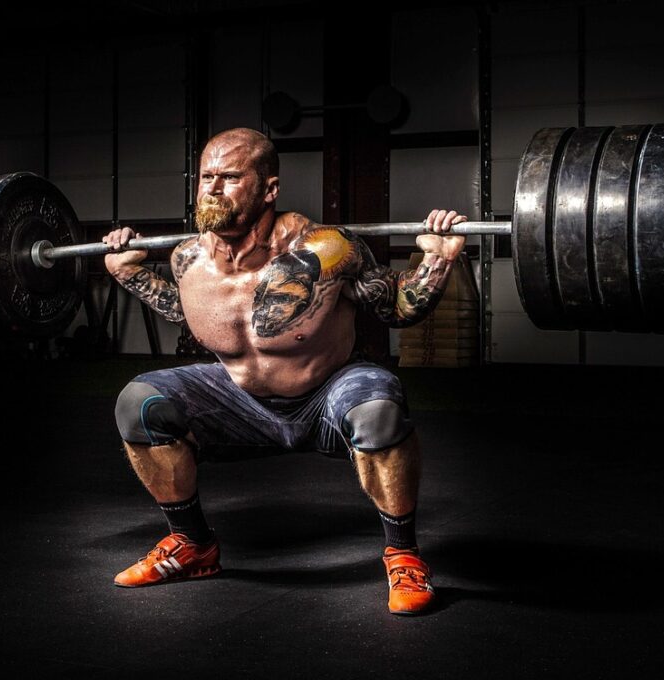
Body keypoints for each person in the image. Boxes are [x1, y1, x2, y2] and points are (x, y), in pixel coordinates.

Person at [102, 127, 466, 616]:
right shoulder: (187, 259)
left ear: (269, 188)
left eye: (230, 177)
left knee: (378, 407)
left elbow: (397, 306)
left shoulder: (329, 249)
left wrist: (438, 260)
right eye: (207, 177)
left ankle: (403, 556)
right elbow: (186, 312)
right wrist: (129, 273)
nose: (213, 188)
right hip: (238, 401)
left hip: (325, 393)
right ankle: (192, 545)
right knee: (139, 403)